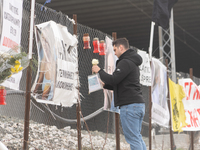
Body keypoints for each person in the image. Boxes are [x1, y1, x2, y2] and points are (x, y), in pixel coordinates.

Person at [92, 38, 146, 150]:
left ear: (121, 47)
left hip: (129, 106)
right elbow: (121, 84)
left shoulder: (125, 62)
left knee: (133, 139)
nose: (115, 53)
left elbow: (114, 79)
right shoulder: (132, 62)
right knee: (137, 137)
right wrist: (105, 85)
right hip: (137, 104)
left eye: (115, 50)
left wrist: (99, 71)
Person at [33, 27, 57, 101]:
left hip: (51, 85)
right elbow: (41, 76)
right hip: (47, 84)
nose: (44, 42)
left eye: (45, 40)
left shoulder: (53, 56)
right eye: (42, 38)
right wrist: (34, 90)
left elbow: (54, 75)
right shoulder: (44, 57)